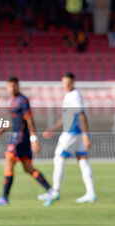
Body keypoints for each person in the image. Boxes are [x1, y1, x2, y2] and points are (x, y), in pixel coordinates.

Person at [0, 77, 51, 206]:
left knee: (8, 161)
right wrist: (2, 130)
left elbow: (29, 120)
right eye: (9, 87)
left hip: (20, 138)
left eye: (13, 86)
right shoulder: (13, 100)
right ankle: (51, 191)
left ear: (18, 86)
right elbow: (15, 121)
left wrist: (34, 139)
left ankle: (4, 197)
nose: (11, 89)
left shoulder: (22, 100)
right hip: (17, 137)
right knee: (28, 168)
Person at [39, 72, 96, 207]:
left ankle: (55, 191)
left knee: (58, 158)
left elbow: (81, 115)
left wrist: (86, 136)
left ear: (73, 82)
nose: (66, 85)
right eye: (64, 83)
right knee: (83, 160)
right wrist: (52, 129)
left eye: (68, 83)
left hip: (71, 133)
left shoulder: (75, 95)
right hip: (76, 132)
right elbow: (66, 117)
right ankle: (91, 193)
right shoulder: (69, 95)